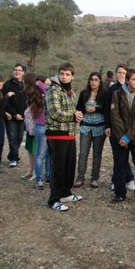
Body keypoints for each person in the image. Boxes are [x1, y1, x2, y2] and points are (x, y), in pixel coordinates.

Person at [45, 62, 83, 212]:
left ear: (72, 76)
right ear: (58, 74)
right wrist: (74, 116)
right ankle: (53, 199)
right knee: (58, 167)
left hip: (70, 134)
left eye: (67, 74)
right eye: (62, 74)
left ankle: (65, 193)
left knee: (69, 166)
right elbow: (55, 113)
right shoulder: (53, 90)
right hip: (56, 135)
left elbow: (72, 112)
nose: (64, 77)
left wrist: (78, 115)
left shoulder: (70, 92)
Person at [110, 69, 135, 203]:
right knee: (120, 164)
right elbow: (115, 117)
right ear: (127, 80)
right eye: (134, 79)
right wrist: (122, 137)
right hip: (120, 136)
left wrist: (129, 136)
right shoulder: (118, 93)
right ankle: (120, 193)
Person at [104, 64, 135, 191]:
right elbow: (107, 109)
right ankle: (118, 180)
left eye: (123, 73)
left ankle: (129, 179)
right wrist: (107, 126)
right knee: (118, 156)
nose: (121, 75)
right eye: (119, 72)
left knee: (125, 155)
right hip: (114, 127)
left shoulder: (132, 88)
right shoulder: (112, 89)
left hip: (128, 128)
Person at [74, 72, 107, 189]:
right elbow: (78, 108)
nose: (93, 82)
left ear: (100, 82)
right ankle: (80, 177)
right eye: (91, 79)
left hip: (100, 127)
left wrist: (96, 108)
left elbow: (107, 110)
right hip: (85, 127)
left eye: (96, 80)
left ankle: (94, 178)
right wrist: (83, 110)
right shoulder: (84, 93)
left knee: (97, 154)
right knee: (83, 153)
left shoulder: (104, 94)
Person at [3, 63, 27, 167]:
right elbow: (5, 102)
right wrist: (14, 114)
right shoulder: (8, 84)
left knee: (20, 138)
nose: (17, 71)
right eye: (15, 69)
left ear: (23, 72)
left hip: (23, 117)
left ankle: (12, 155)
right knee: (12, 138)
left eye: (19, 70)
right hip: (11, 117)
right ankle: (13, 158)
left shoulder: (26, 85)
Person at [33, 75, 50, 190]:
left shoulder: (44, 93)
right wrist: (40, 85)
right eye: (47, 83)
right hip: (41, 126)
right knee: (40, 154)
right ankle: (39, 178)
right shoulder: (36, 95)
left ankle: (47, 175)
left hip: (50, 126)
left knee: (49, 154)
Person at [21, 72, 39, 181]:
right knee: (29, 148)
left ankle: (36, 172)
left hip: (35, 125)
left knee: (35, 149)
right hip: (29, 125)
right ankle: (30, 170)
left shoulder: (35, 93)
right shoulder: (27, 93)